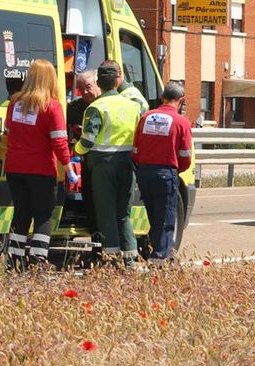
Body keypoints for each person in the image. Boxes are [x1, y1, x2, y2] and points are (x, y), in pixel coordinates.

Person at [3, 60, 77, 269]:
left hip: (15, 169)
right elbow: (59, 141)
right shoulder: (52, 107)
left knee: (21, 212)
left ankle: (14, 260)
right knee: (43, 214)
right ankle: (38, 259)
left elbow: (10, 132)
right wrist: (68, 167)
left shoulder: (15, 103)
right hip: (41, 170)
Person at [77, 62, 141, 268]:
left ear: (99, 84)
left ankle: (111, 259)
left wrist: (74, 151)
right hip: (127, 164)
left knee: (106, 213)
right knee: (123, 213)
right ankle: (130, 260)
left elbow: (87, 141)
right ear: (116, 81)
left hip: (103, 166)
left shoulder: (96, 107)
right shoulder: (132, 105)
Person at [132, 81, 194, 268]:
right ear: (181, 100)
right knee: (166, 219)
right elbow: (185, 156)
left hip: (144, 173)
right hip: (166, 174)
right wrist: (176, 170)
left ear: (162, 98)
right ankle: (159, 260)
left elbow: (135, 149)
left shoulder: (146, 117)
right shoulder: (182, 122)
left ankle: (157, 252)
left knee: (153, 216)